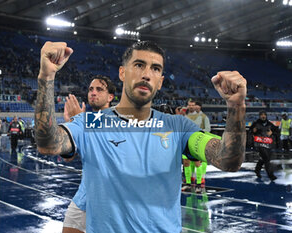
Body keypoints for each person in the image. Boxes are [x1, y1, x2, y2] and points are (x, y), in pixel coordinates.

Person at [35, 41, 247, 232]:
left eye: (155, 69)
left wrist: (236, 106)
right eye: (139, 65)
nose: (147, 74)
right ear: (122, 73)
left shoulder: (178, 126)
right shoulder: (94, 122)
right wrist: (46, 78)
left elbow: (227, 160)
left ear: (161, 81)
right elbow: (49, 144)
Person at [62, 75, 116, 233]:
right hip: (83, 200)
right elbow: (69, 156)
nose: (93, 92)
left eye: (99, 89)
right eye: (91, 89)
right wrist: (71, 125)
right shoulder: (86, 120)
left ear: (110, 97)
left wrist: (79, 120)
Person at [249, 110, 279, 181]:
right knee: (266, 159)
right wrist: (253, 131)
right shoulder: (255, 124)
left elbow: (277, 131)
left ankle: (257, 170)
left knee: (263, 159)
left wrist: (272, 132)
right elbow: (250, 132)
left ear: (266, 116)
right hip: (259, 144)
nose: (263, 116)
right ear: (259, 116)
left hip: (267, 144)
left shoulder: (270, 124)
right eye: (261, 115)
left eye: (264, 115)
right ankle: (271, 175)